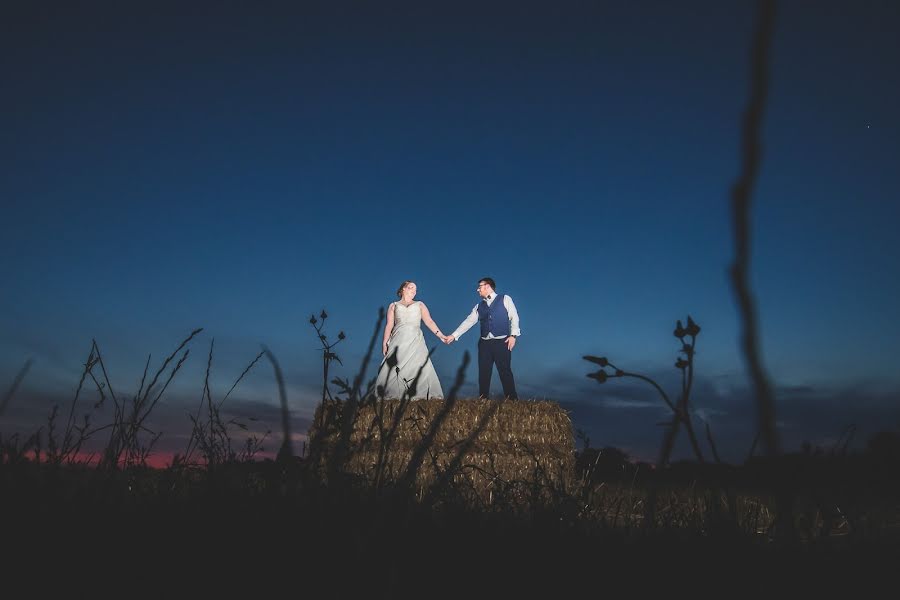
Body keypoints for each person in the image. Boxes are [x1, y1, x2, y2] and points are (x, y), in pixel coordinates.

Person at [444, 277, 520, 400]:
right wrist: (454, 335)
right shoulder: (478, 306)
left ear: (488, 286)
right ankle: (483, 399)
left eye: (480, 287)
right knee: (484, 373)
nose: (477, 289)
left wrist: (513, 335)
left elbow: (514, 317)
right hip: (484, 344)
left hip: (502, 341)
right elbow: (468, 321)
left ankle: (512, 400)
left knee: (505, 371)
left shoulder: (505, 299)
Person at [374, 281, 446, 399]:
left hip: (415, 339)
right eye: (411, 287)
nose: (414, 290)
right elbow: (389, 325)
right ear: (403, 289)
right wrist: (384, 343)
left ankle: (419, 392)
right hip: (398, 339)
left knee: (418, 364)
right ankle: (392, 393)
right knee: (394, 365)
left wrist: (441, 335)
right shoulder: (393, 305)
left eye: (416, 289)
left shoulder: (420, 304)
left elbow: (429, 321)